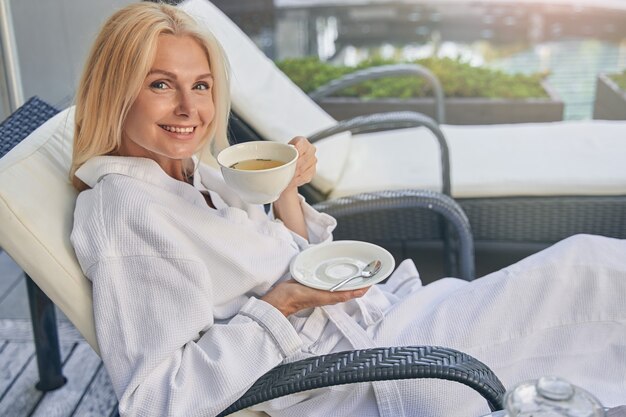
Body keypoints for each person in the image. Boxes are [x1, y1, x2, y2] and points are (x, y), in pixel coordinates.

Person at [69, 3, 626, 417]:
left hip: (386, 319)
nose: (191, 109)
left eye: (202, 85)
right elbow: (156, 400)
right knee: (589, 275)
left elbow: (276, 256)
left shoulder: (192, 172)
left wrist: (285, 191)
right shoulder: (125, 212)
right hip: (360, 372)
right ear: (117, 91)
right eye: (162, 85)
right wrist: (281, 303)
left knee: (588, 274)